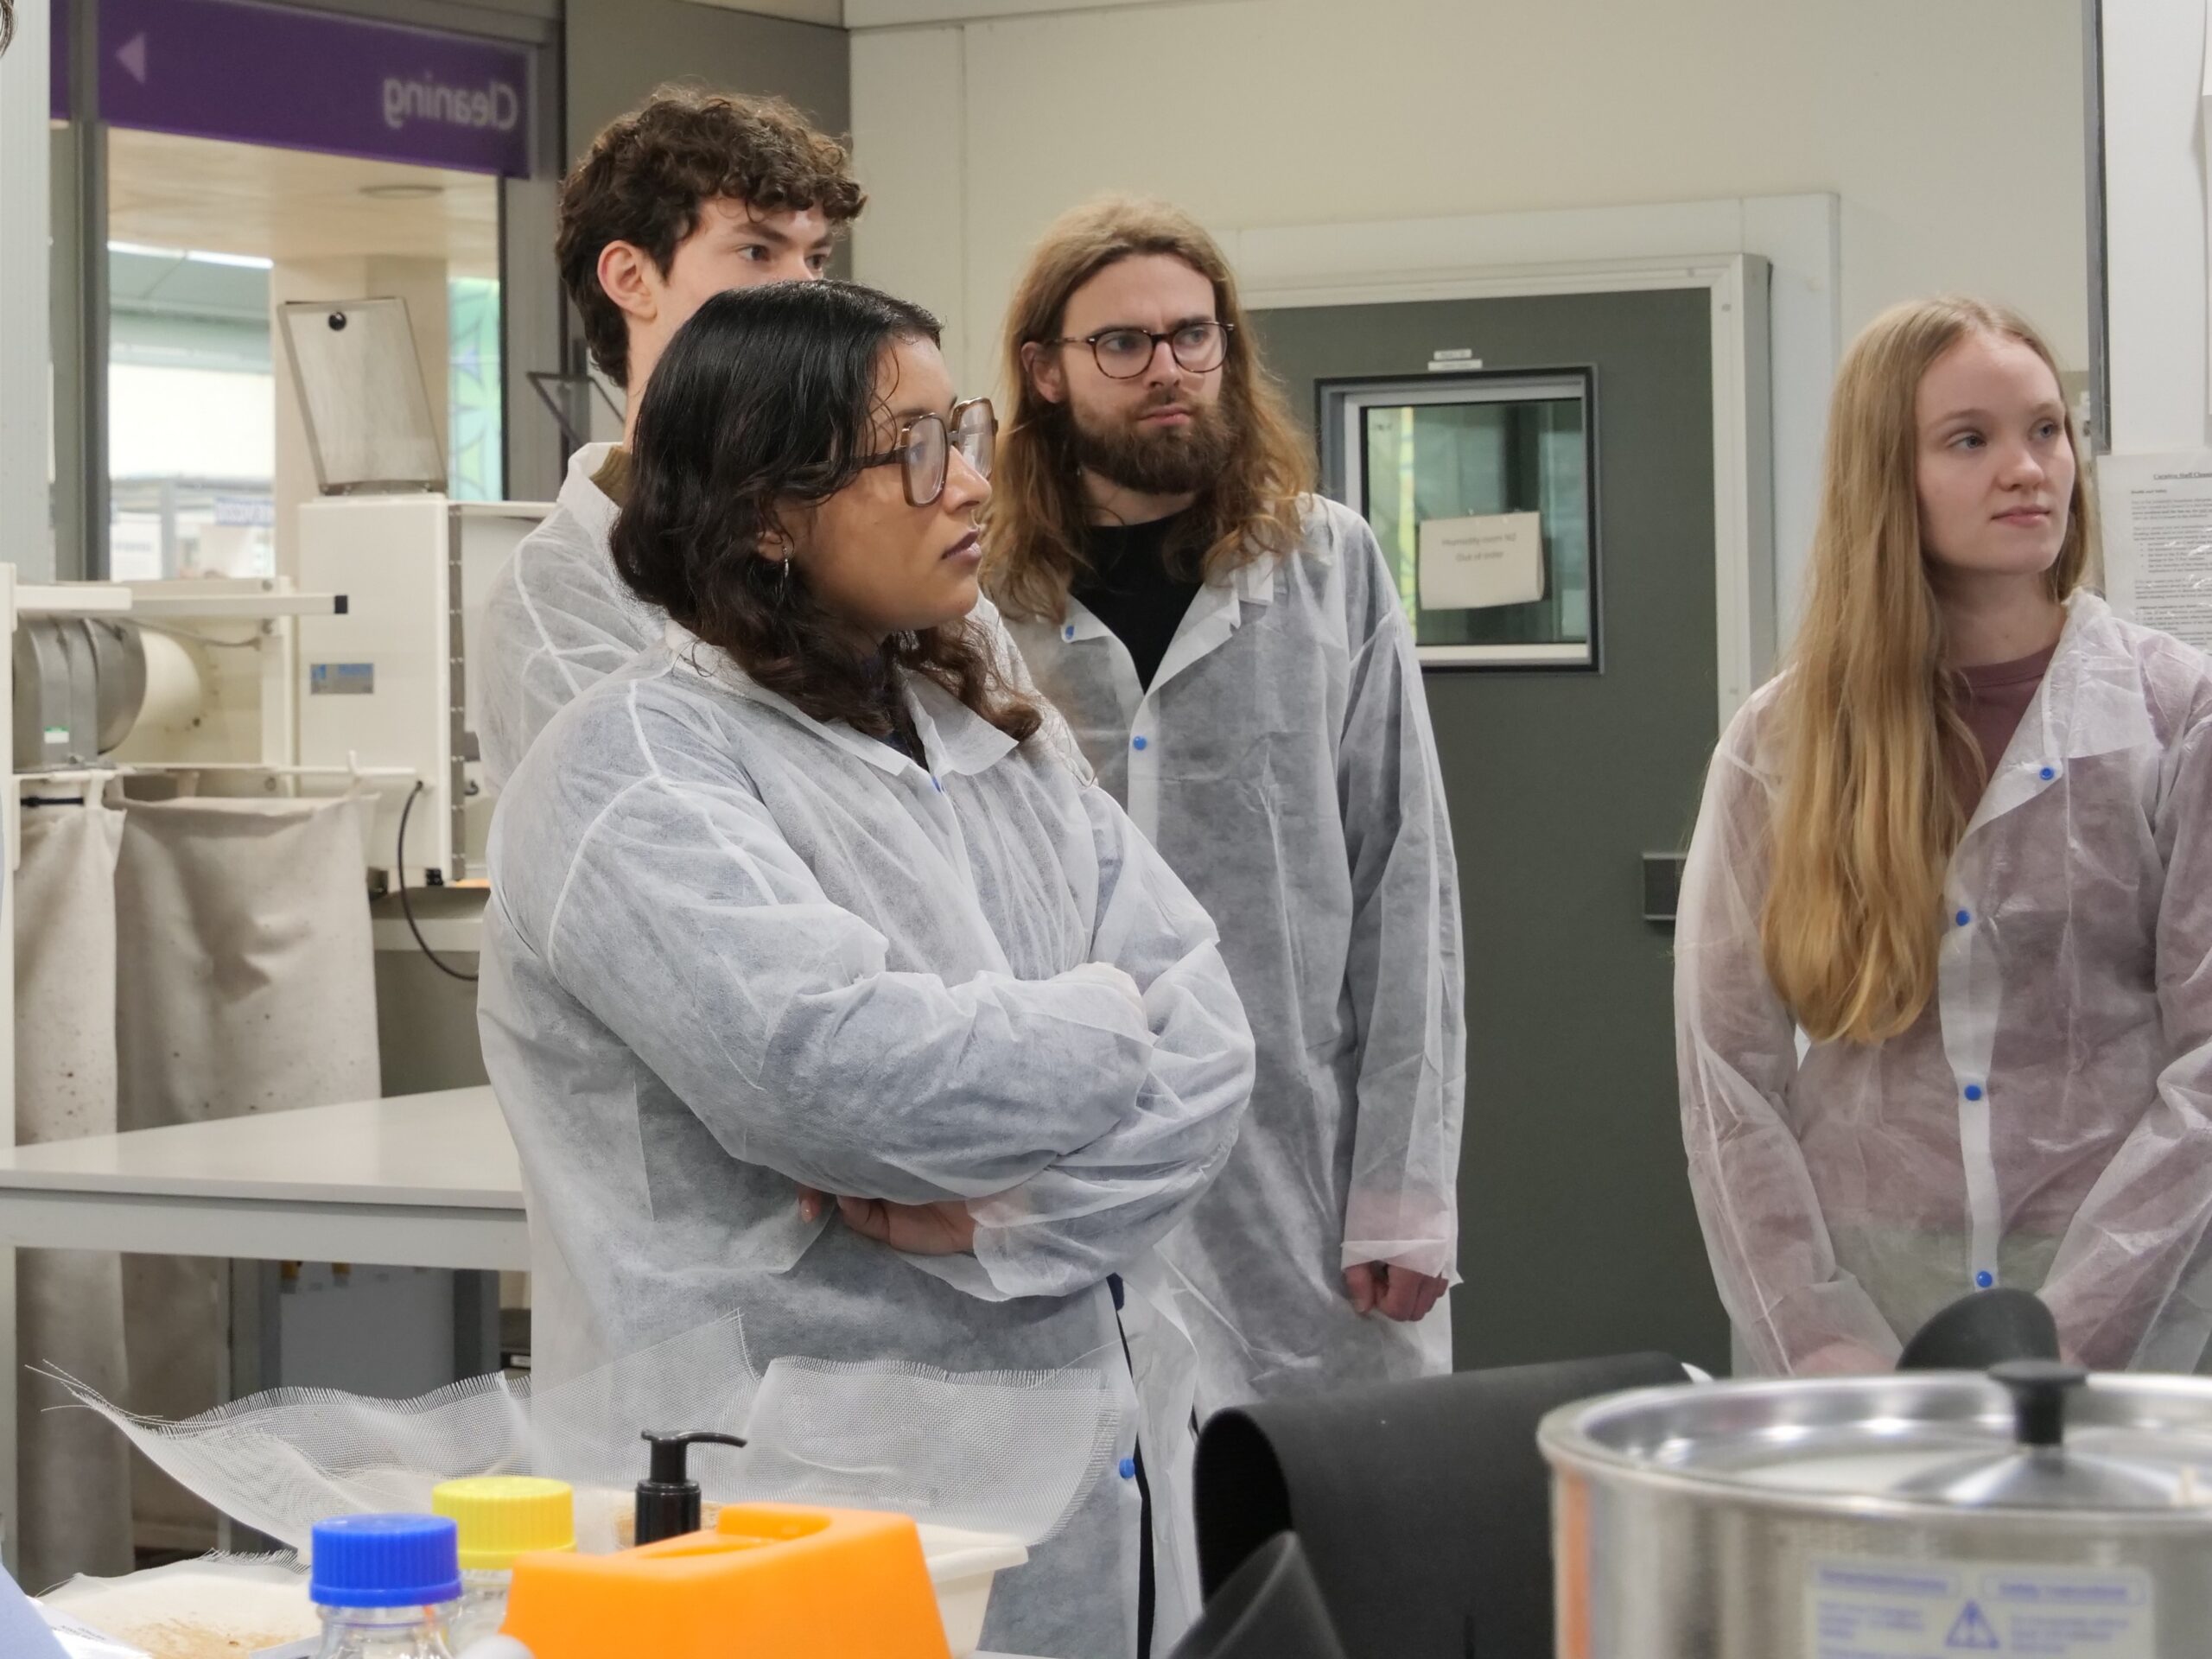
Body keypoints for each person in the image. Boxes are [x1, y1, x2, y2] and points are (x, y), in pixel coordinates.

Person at [477, 279, 1255, 1659]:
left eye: (957, 429)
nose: (968, 482)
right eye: (912, 449)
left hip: (1065, 1471)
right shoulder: (634, 772)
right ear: (767, 512)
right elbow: (847, 1083)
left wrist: (1021, 1214)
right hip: (785, 1506)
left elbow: (1213, 1048)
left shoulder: (976, 719)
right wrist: (1103, 1018)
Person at [986, 196, 1465, 1413]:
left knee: (1326, 1539)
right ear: (1044, 371)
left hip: (1294, 1165)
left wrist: (1405, 1195)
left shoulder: (1326, 565)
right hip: (1060, 1165)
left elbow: (1405, 879)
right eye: (1125, 345)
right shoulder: (979, 597)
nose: (1171, 372)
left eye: (1196, 337)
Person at [1676, 295, 2212, 1377]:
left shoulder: (2170, 712)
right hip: (1862, 1311)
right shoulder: (1785, 740)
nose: (2028, 469)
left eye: (2046, 429)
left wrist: (2070, 1334)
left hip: (2129, 1325)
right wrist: (1821, 1341)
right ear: (1888, 477)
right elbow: (1724, 1079)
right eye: (1970, 440)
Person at [476, 86, 862, 790]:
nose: (809, 294)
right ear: (632, 278)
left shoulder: (862, 530)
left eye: (816, 259)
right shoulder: (558, 597)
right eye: (757, 251)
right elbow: (657, 843)